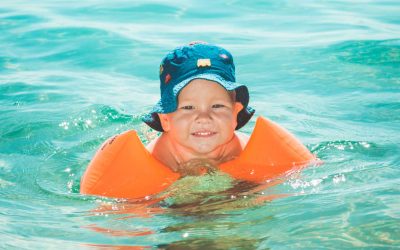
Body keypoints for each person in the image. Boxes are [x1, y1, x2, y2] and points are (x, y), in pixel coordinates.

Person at [142, 42, 255, 176]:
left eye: (217, 106)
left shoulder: (250, 151)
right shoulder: (154, 160)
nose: (204, 118)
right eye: (188, 107)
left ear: (235, 113)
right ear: (165, 119)